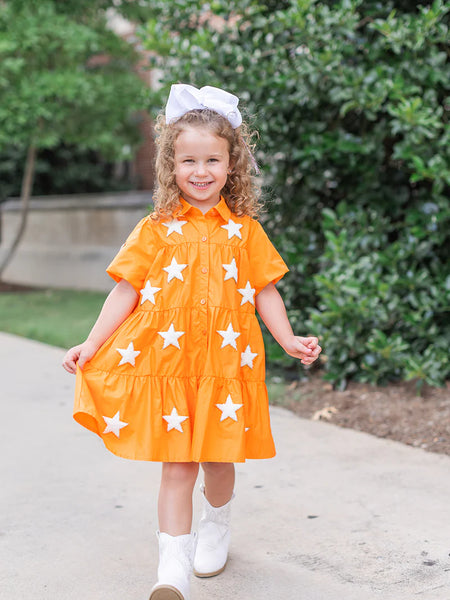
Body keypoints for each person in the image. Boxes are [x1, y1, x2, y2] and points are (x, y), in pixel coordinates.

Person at [62, 83, 322, 600]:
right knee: (177, 463)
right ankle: (171, 569)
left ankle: (217, 525)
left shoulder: (245, 231)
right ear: (170, 166)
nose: (199, 172)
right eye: (187, 161)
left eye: (212, 160)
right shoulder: (155, 229)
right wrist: (91, 345)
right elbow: (125, 289)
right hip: (171, 362)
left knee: (217, 461)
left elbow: (265, 290)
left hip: (224, 365)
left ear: (232, 165)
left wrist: (289, 339)